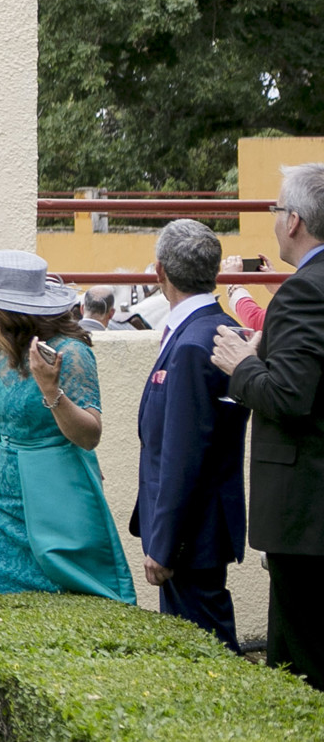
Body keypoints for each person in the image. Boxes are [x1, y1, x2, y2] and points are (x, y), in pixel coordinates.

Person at [0, 250, 135, 603]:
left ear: (7, 310)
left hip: (58, 498)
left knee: (68, 607)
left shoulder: (71, 353)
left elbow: (90, 436)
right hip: (3, 502)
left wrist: (51, 390)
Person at [212, 163, 324, 688]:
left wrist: (242, 366)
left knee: (301, 668)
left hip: (307, 518)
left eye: (278, 210)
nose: (276, 220)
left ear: (294, 220)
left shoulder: (304, 291)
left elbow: (290, 397)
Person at [129, 220, 249, 651]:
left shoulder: (195, 342)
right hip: (198, 530)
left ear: (160, 271)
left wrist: (165, 546)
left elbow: (183, 455)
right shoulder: (213, 328)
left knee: (206, 651)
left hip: (192, 537)